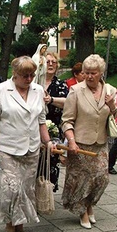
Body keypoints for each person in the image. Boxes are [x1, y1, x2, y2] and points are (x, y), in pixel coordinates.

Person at [0, 56, 51, 232]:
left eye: (32, 75)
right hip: (7, 148)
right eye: (25, 75)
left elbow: (41, 121)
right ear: (15, 74)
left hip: (31, 148)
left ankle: (21, 228)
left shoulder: (38, 90)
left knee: (25, 189)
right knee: (11, 189)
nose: (29, 79)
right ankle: (9, 226)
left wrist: (48, 142)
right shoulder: (1, 90)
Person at [62, 54, 117, 229]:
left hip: (101, 142)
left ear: (101, 73)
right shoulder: (76, 91)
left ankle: (88, 204)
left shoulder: (110, 90)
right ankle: (83, 212)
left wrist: (112, 106)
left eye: (93, 73)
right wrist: (71, 141)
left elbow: (115, 115)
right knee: (82, 180)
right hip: (80, 143)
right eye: (86, 72)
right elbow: (67, 120)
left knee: (102, 178)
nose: (89, 76)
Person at [41, 52, 68, 192]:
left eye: (54, 62)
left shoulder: (61, 84)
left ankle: (47, 193)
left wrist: (51, 100)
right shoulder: (34, 82)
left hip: (54, 128)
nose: (50, 64)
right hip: (35, 128)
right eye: (48, 62)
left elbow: (67, 102)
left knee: (52, 161)